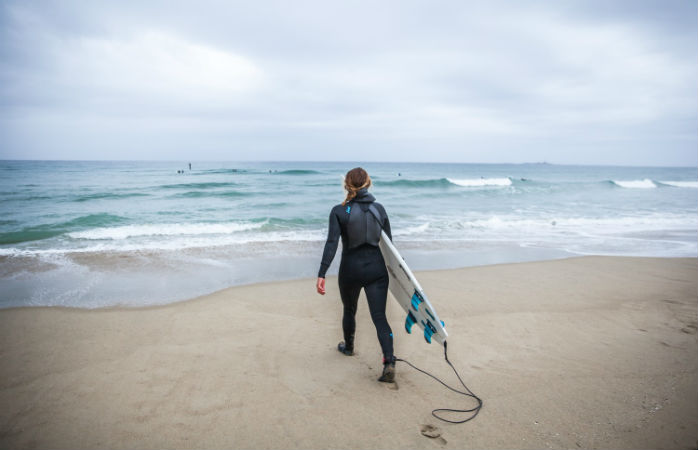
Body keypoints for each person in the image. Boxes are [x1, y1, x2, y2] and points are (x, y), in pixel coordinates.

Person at [316, 167, 396, 383]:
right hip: (377, 270)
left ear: (347, 184)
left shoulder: (339, 211)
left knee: (349, 309)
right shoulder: (380, 209)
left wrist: (322, 273)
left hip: (350, 269)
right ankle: (389, 361)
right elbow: (390, 248)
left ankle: (348, 347)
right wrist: (398, 277)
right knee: (380, 317)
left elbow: (332, 243)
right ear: (368, 183)